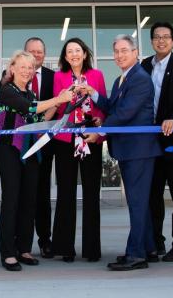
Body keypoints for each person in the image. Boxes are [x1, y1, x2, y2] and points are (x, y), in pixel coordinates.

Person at [86, 35, 161, 271]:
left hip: (139, 150)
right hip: (129, 150)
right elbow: (113, 107)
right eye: (116, 51)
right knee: (140, 202)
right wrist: (93, 94)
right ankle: (148, 248)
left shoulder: (139, 79)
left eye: (124, 51)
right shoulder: (122, 80)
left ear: (135, 52)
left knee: (137, 203)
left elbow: (125, 113)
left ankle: (136, 254)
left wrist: (100, 132)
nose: (119, 55)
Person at [0, 50, 71, 271]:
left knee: (29, 198)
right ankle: (8, 253)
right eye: (23, 66)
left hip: (30, 149)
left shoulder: (29, 93)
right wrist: (58, 99)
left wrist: (59, 103)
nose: (27, 71)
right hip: (8, 149)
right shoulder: (6, 90)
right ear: (12, 68)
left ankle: (24, 248)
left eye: (31, 67)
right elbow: (28, 109)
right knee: (12, 199)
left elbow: (38, 118)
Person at [50, 37, 106, 263]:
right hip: (66, 137)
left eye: (78, 50)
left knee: (92, 194)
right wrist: (66, 94)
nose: (74, 54)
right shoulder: (59, 76)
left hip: (90, 136)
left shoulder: (97, 75)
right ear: (65, 57)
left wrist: (100, 128)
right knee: (66, 193)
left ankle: (92, 249)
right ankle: (65, 248)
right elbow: (58, 109)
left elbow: (103, 106)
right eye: (69, 51)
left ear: (84, 54)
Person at [142, 22, 173, 262]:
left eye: (165, 37)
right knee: (153, 194)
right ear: (151, 41)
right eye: (156, 37)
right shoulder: (143, 65)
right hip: (150, 141)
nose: (161, 41)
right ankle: (155, 243)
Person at [23, 37, 56, 258]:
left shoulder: (54, 77)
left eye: (39, 52)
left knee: (42, 193)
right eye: (31, 52)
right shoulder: (14, 76)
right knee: (23, 194)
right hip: (21, 145)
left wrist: (43, 124)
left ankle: (45, 241)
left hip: (45, 143)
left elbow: (58, 103)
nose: (36, 55)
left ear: (45, 54)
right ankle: (21, 242)